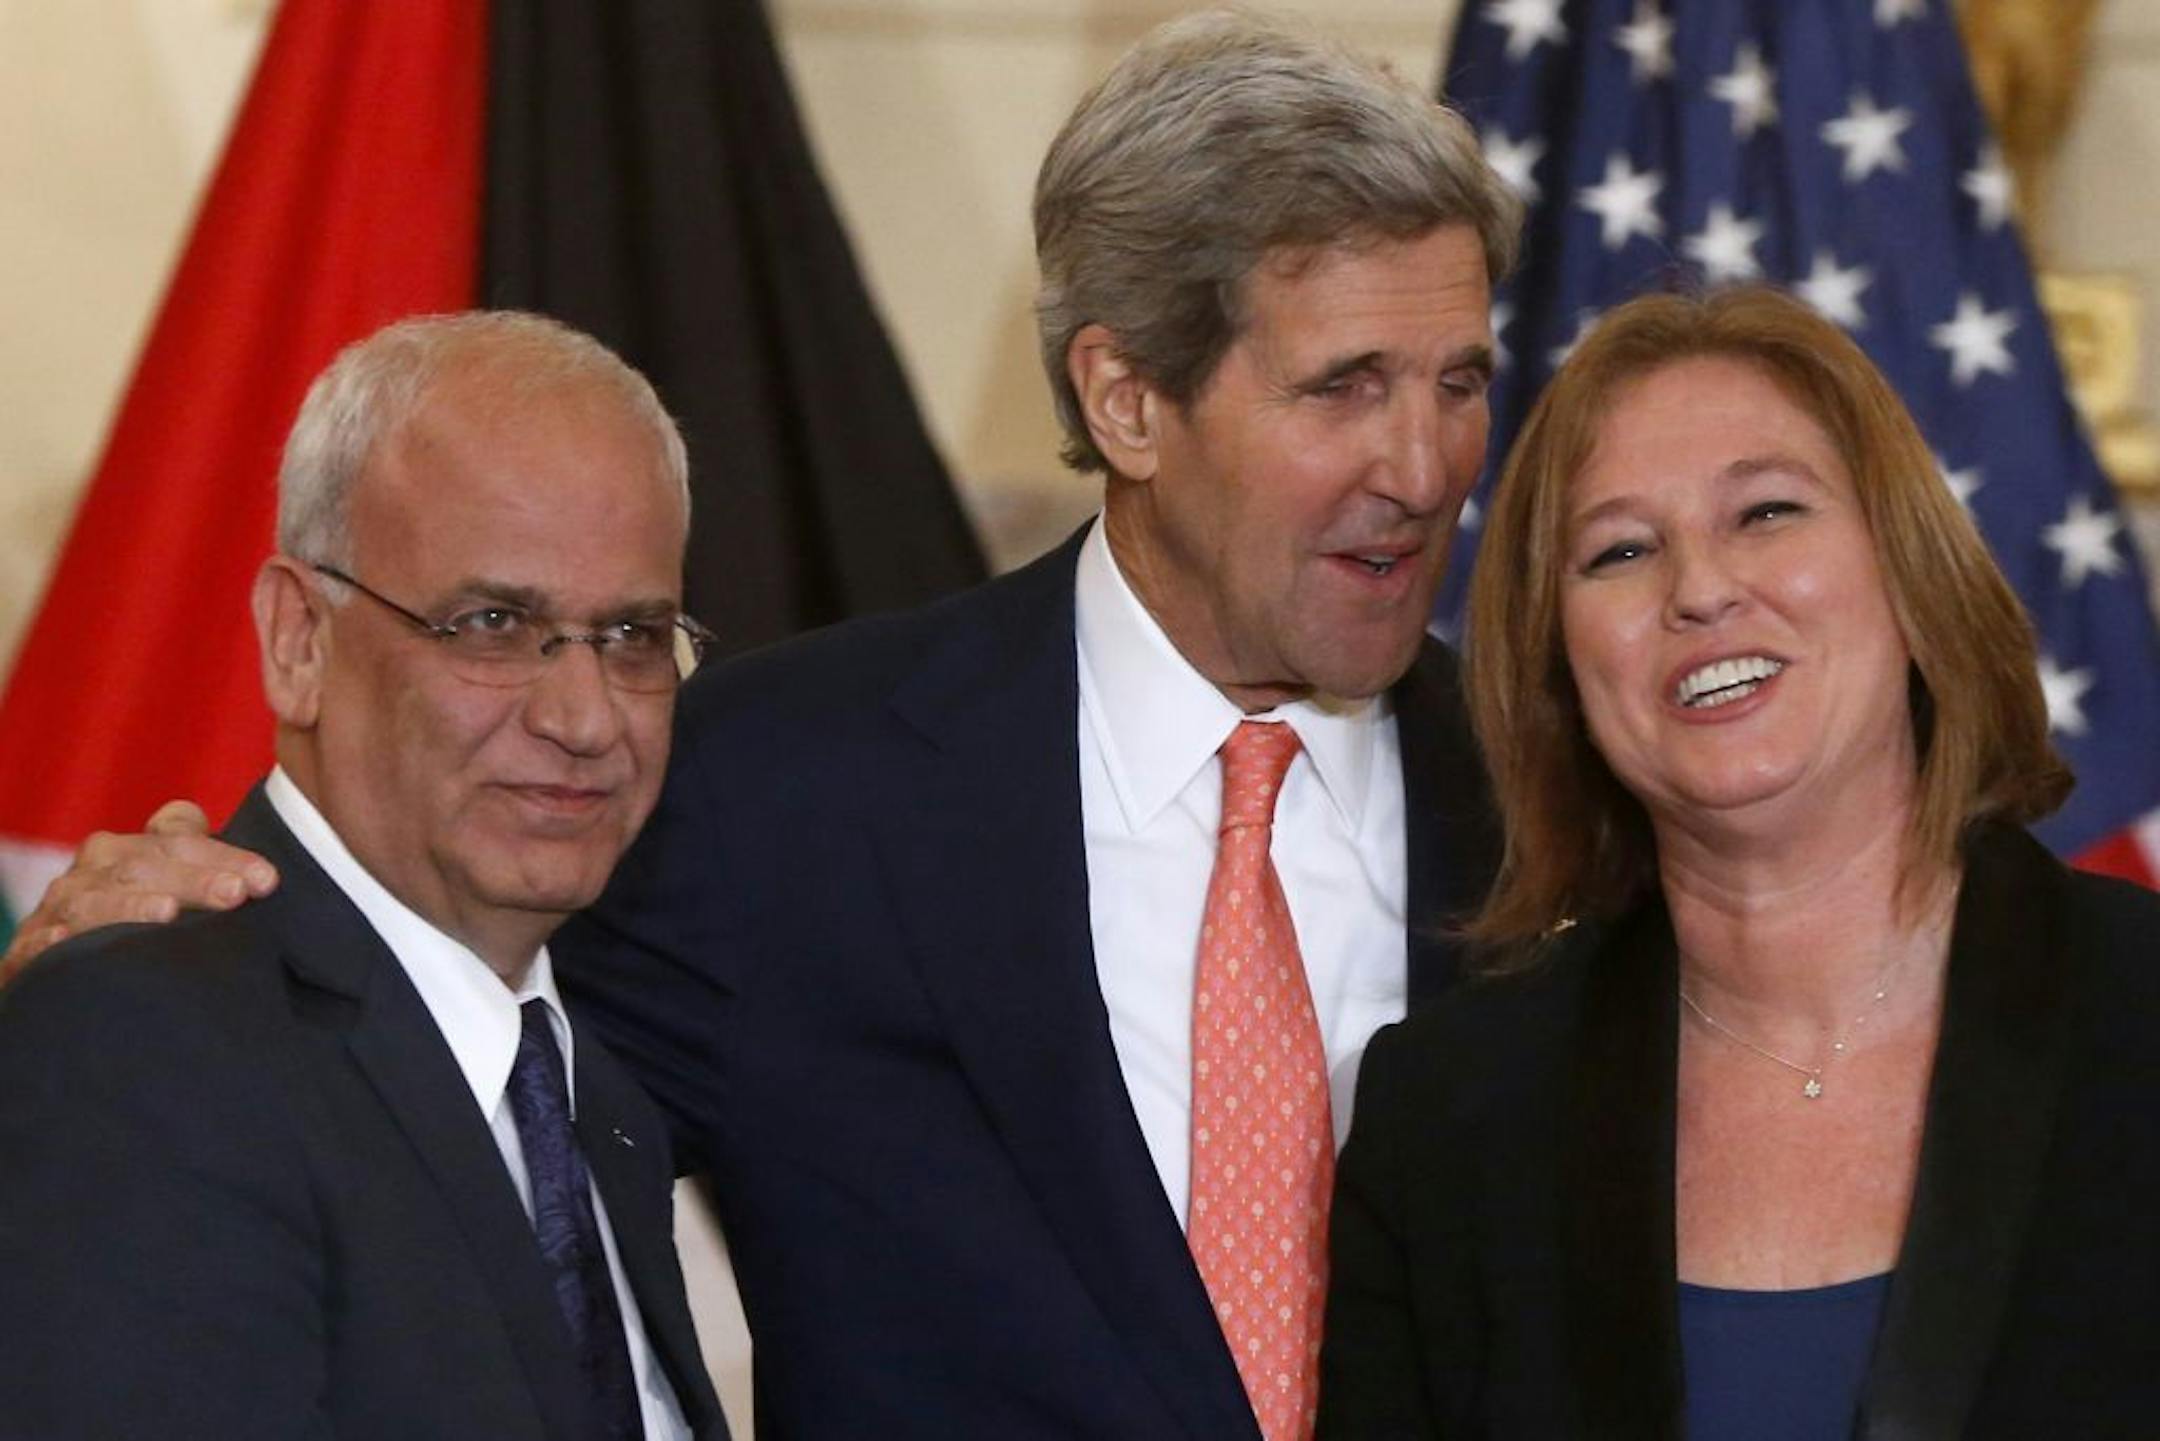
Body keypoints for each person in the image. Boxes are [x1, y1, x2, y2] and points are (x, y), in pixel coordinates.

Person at [2, 13, 1521, 1438]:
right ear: (1125, 398)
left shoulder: (1558, 806)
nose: (1425, 462)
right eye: (1345, 386)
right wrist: (157, 934)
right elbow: (392, 1007)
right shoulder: (771, 791)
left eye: (1460, 382)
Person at [1316, 286, 2160, 1440]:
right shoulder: (1450, 1119)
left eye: (1766, 512)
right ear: (1559, 664)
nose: (1701, 590)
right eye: (1619, 549)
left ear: (1907, 572)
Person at [0, 312, 731, 1440]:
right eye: (493, 623)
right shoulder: (144, 1044)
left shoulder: (598, 1093)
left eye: (633, 635)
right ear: (300, 638)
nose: (587, 718)